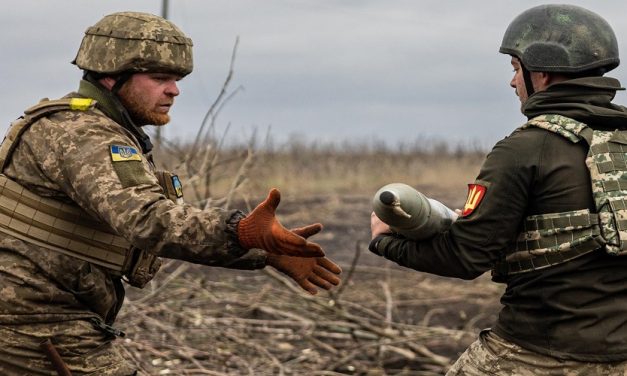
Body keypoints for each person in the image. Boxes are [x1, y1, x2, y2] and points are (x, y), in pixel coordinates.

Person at [0, 12, 341, 375]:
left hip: (46, 315)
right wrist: (241, 232)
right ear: (111, 76)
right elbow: (149, 221)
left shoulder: (97, 129)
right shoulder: (83, 135)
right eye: (160, 78)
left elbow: (136, 230)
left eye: (177, 80)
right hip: (31, 322)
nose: (174, 90)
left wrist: (263, 251)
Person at [370, 4, 627, 375]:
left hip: (537, 353)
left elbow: (465, 257)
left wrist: (383, 240)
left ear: (540, 72)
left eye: (514, 68)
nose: (511, 82)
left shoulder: (525, 148)